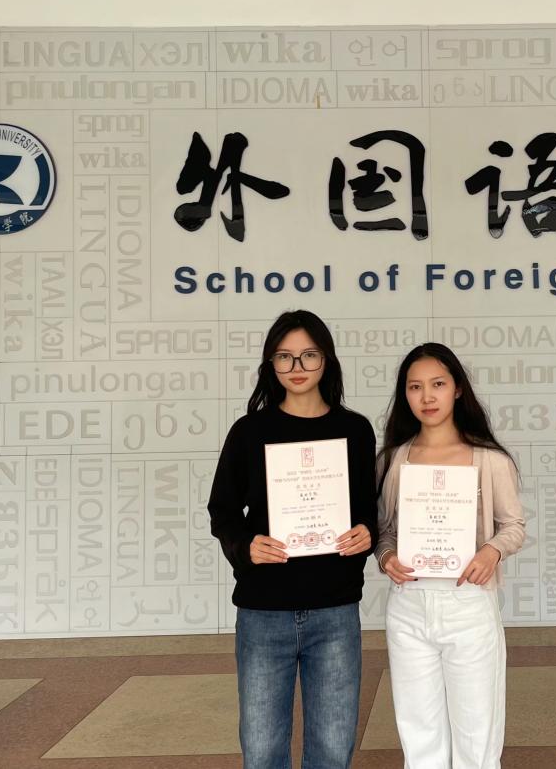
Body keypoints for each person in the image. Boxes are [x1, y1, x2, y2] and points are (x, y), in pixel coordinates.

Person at [208, 309, 378, 769]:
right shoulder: (249, 432)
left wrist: (366, 532)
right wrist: (245, 547)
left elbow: (370, 508)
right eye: (284, 357)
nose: (297, 367)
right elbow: (223, 511)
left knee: (332, 748)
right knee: (262, 750)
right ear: (271, 364)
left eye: (308, 355)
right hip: (263, 611)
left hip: (335, 609)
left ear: (327, 360)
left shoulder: (355, 430)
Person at [376, 342, 526, 769]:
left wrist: (492, 551)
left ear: (457, 389)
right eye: (415, 387)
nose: (427, 397)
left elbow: (514, 526)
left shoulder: (490, 459)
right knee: (418, 730)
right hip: (409, 606)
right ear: (405, 394)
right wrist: (387, 558)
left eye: (438, 384)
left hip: (468, 604)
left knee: (477, 732)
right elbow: (384, 531)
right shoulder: (394, 459)